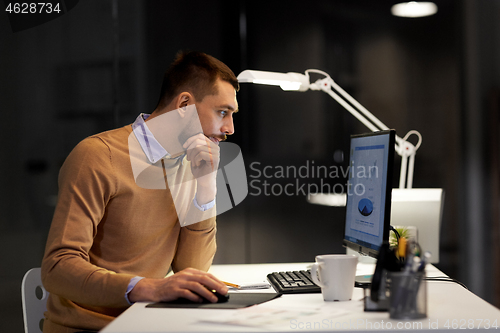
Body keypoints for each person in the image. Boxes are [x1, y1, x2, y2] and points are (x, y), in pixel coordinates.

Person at [41, 51, 240, 333]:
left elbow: (191, 268)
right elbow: (57, 269)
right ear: (184, 104)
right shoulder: (98, 156)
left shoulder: (191, 164)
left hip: (148, 323)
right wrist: (150, 289)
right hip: (89, 327)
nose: (229, 128)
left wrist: (206, 186)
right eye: (222, 112)